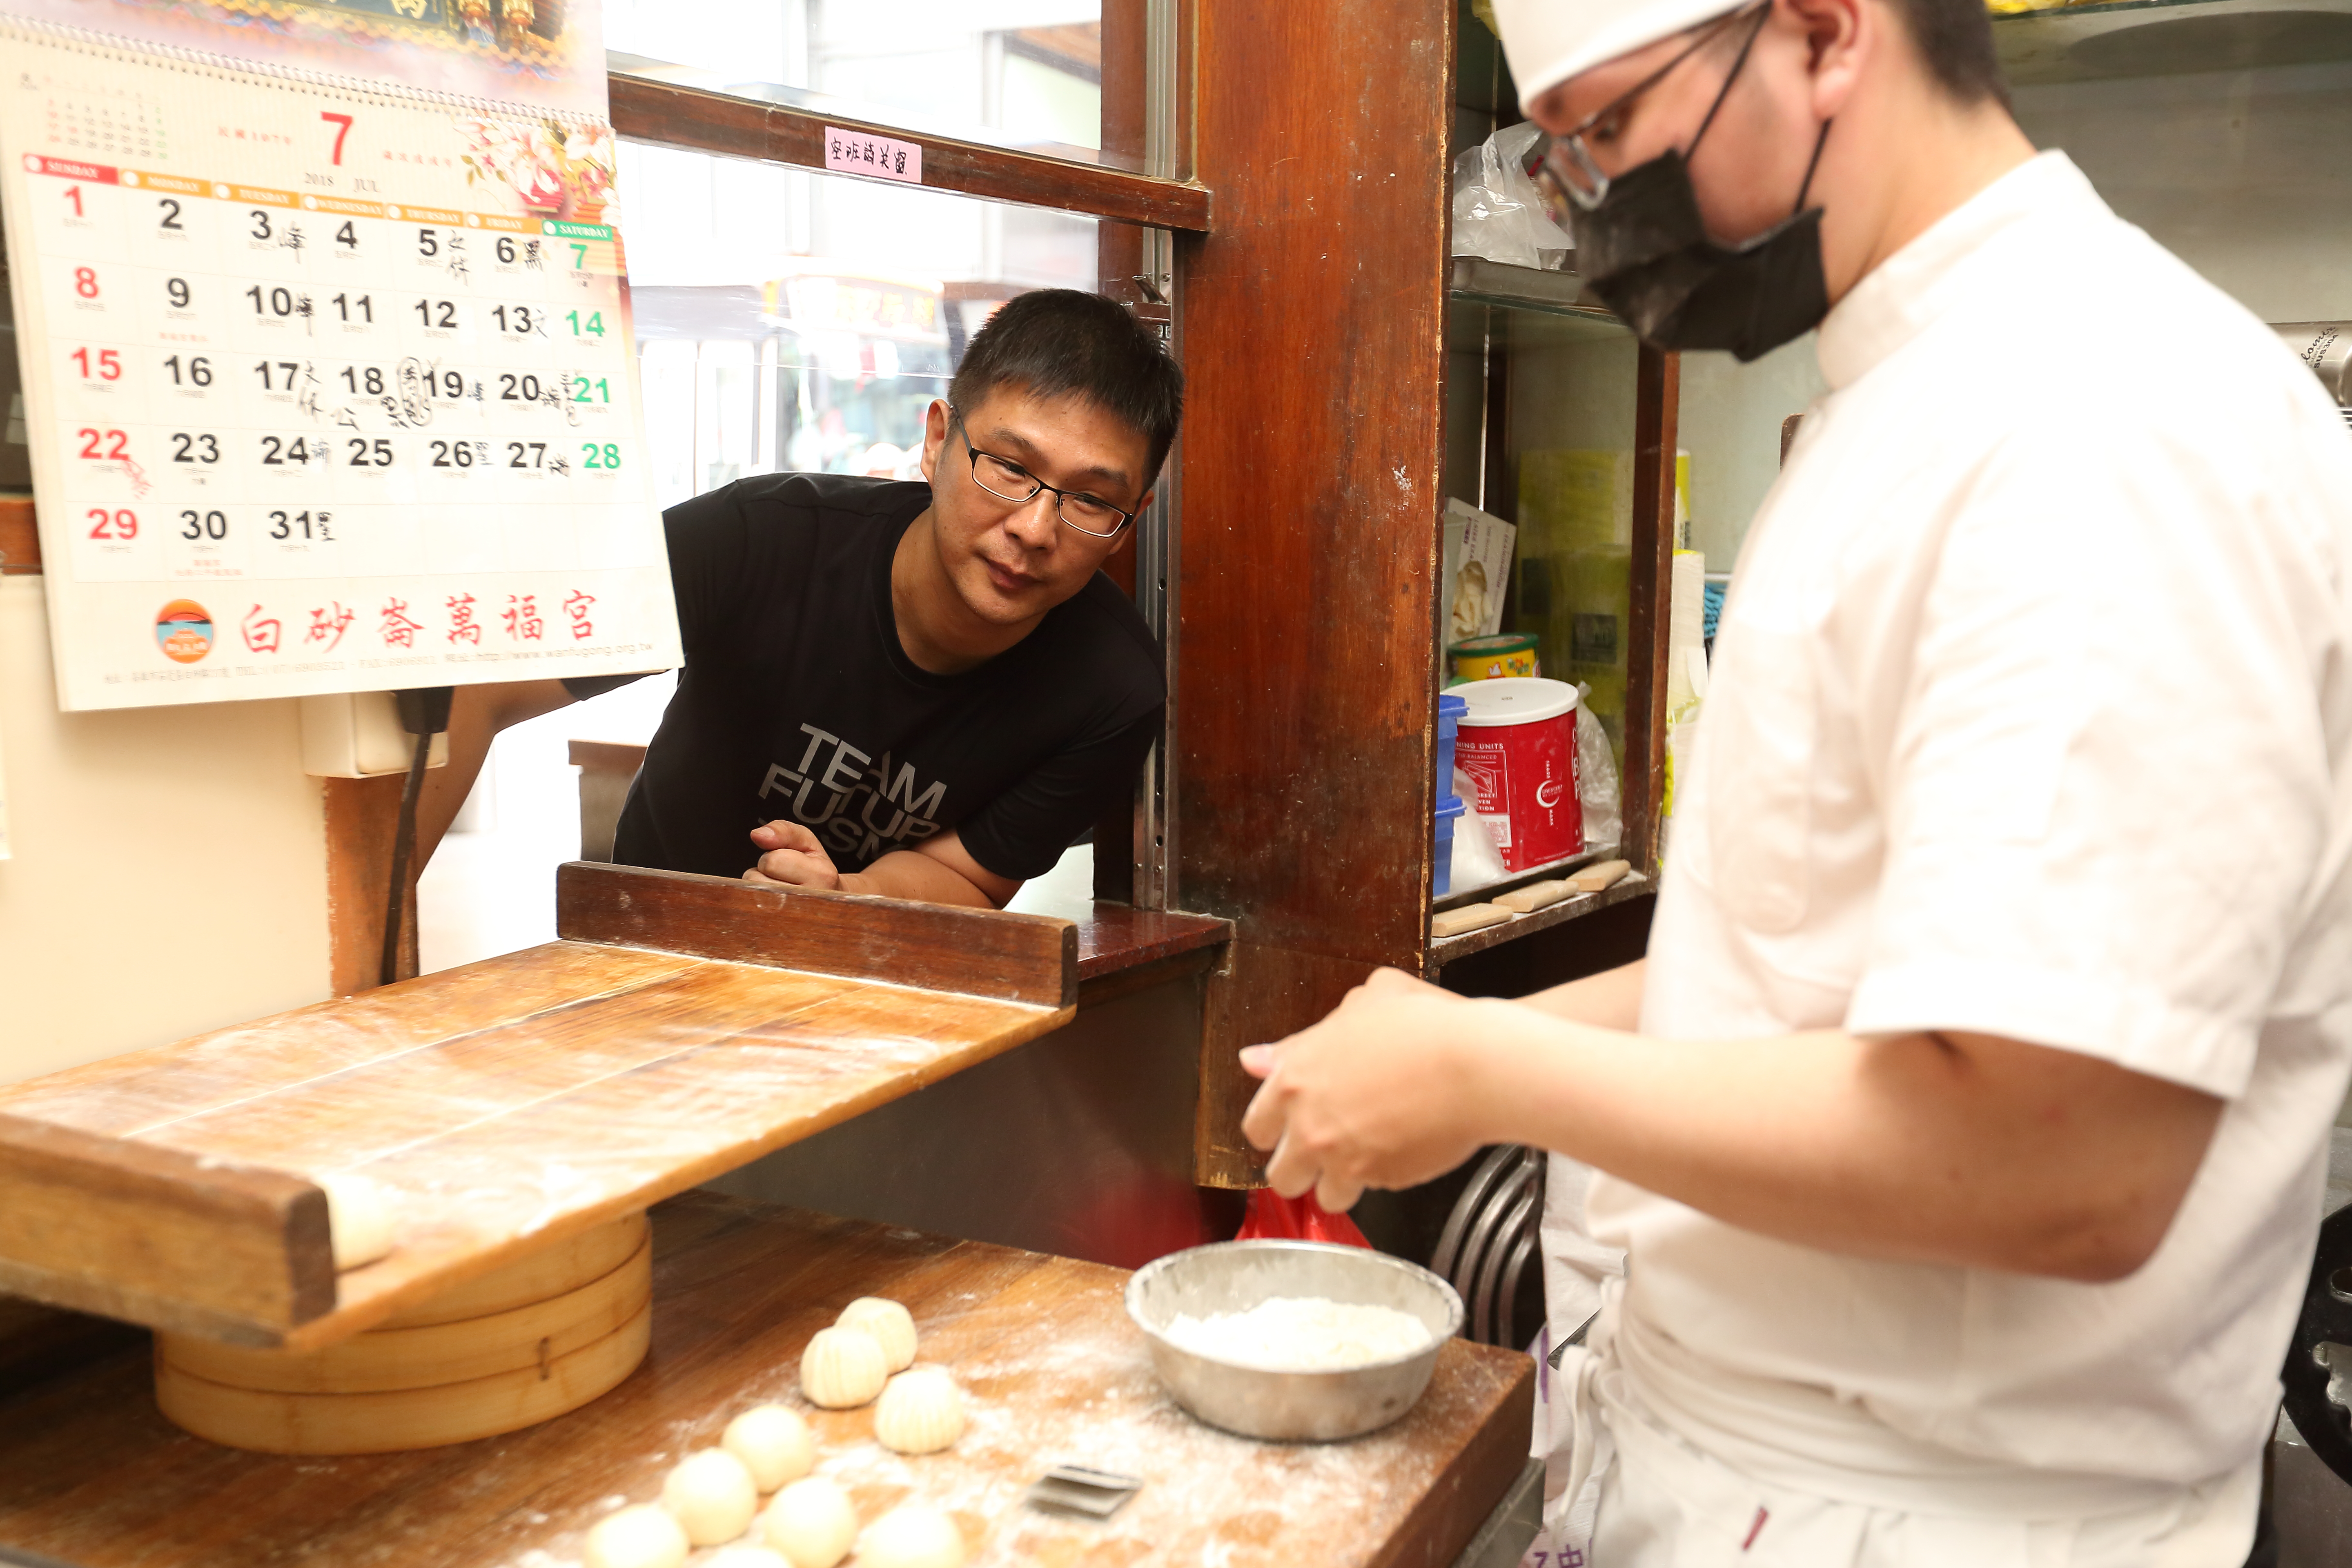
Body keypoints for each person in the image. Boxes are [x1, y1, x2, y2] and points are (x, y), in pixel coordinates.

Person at [1239, 0, 2352, 1561]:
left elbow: (2065, 1159)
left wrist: (1492, 1080)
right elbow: (1799, 961)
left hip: (1934, 1519)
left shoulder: (2103, 432)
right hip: (1757, 1478)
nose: (1591, 212)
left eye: (1609, 133)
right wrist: (1454, 1040)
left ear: (1829, 32)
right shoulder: (1914, 401)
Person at [417, 290, 1178, 909]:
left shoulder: (1110, 690)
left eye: (1089, 500)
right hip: (645, 937)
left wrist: (848, 894)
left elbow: (970, 876)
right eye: (1010, 467)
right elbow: (475, 686)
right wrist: (359, 963)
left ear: (1129, 522)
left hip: (864, 993)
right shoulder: (756, 539)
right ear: (938, 440)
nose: (1036, 527)